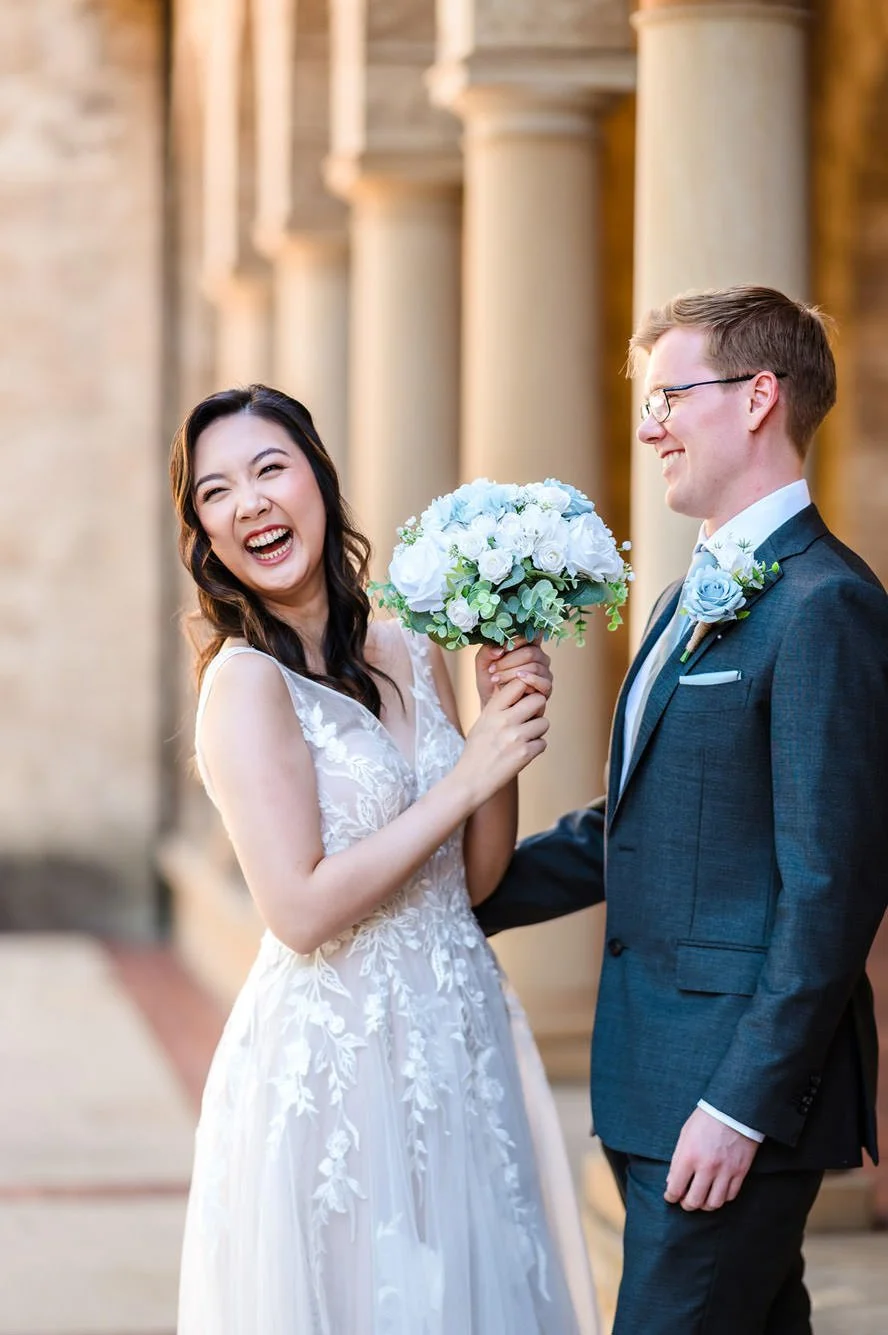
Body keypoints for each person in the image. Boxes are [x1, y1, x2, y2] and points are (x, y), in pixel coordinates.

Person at [476, 285, 888, 1334]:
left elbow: (832, 890)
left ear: (758, 398)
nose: (649, 424)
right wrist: (449, 891)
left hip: (725, 1103)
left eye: (670, 395)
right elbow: (637, 829)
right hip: (651, 1083)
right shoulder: (685, 596)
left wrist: (741, 1104)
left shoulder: (825, 606)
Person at [170, 384, 599, 1335]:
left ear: (318, 478)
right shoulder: (244, 685)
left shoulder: (409, 645)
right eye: (217, 491)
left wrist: (500, 727)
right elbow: (300, 907)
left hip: (460, 1029)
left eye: (270, 469)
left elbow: (475, 876)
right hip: (337, 1058)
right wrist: (464, 778)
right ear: (204, 531)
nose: (250, 503)